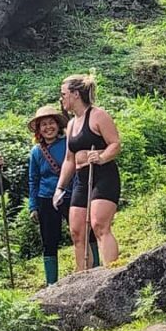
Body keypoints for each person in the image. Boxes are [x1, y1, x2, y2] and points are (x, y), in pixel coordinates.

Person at [54, 75, 121, 268]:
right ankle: (82, 277)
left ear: (75, 94)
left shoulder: (98, 115)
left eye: (63, 94)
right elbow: (69, 159)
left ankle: (112, 273)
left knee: (99, 225)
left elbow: (115, 144)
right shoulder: (71, 124)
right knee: (76, 231)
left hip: (103, 174)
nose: (61, 98)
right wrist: (60, 188)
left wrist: (101, 157)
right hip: (81, 179)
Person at [28, 105, 100, 285]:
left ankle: (96, 269)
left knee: (85, 232)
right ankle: (51, 283)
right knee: (49, 241)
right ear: (38, 130)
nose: (48, 127)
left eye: (51, 123)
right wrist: (33, 206)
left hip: (72, 195)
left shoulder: (68, 143)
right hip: (46, 199)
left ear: (58, 125)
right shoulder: (36, 152)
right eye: (43, 124)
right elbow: (33, 180)